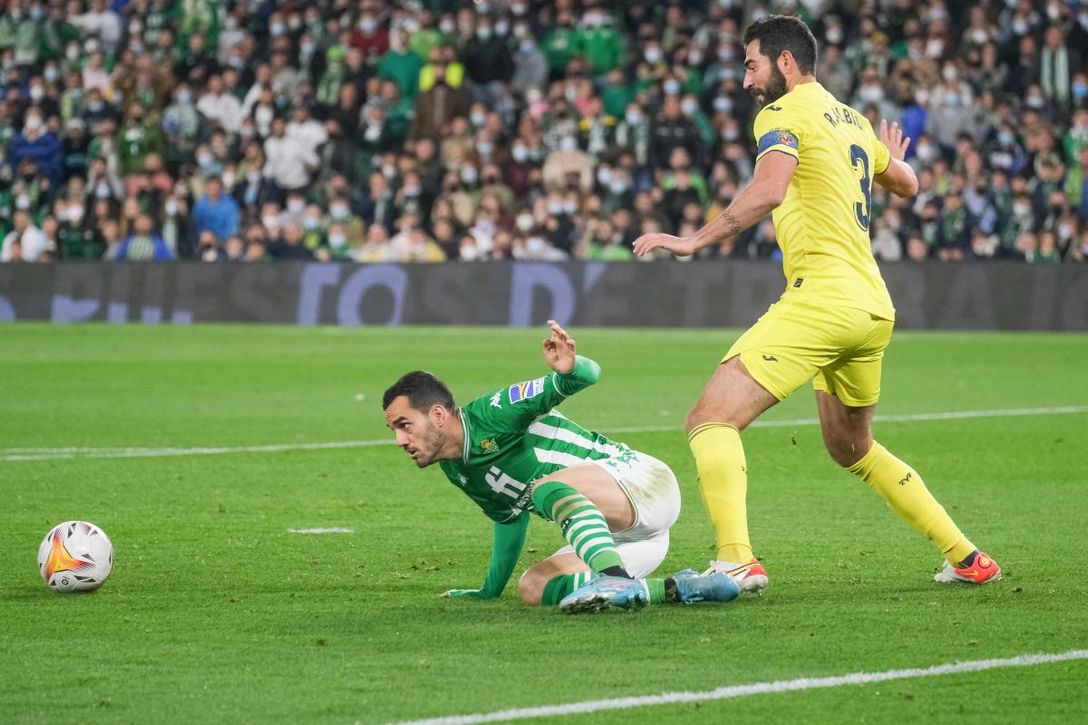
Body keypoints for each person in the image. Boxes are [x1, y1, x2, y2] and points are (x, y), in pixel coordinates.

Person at [632, 15, 1001, 592]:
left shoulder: (780, 114)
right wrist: (889, 156)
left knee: (709, 419)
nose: (747, 78)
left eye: (752, 63)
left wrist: (693, 240)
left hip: (824, 298)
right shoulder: (850, 119)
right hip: (872, 307)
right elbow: (907, 184)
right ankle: (967, 557)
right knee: (851, 447)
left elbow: (770, 188)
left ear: (784, 62)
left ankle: (736, 560)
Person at [382, 322, 739, 613]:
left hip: (640, 482)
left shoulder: (494, 412)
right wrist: (489, 591)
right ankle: (682, 588)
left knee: (544, 487)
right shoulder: (456, 468)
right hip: (629, 542)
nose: (400, 440)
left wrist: (572, 367)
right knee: (535, 587)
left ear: (438, 415)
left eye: (404, 425)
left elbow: (584, 377)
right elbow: (509, 520)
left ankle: (613, 577)